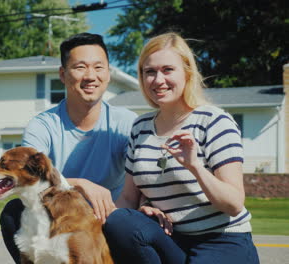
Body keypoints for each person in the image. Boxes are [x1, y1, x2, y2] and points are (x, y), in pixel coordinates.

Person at [103, 32, 260, 263]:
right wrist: (140, 210)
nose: (158, 80)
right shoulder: (140, 127)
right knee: (120, 222)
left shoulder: (214, 121)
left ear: (187, 72)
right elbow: (127, 197)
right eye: (150, 72)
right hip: (171, 239)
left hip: (221, 240)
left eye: (168, 70)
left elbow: (234, 204)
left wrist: (195, 166)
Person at [0, 32, 138, 263]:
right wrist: (81, 184)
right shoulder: (42, 125)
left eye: (98, 67)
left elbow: (144, 177)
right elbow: (26, 177)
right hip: (59, 223)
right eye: (80, 67)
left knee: (140, 224)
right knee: (13, 212)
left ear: (108, 74)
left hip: (111, 221)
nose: (90, 76)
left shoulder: (127, 123)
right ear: (63, 75)